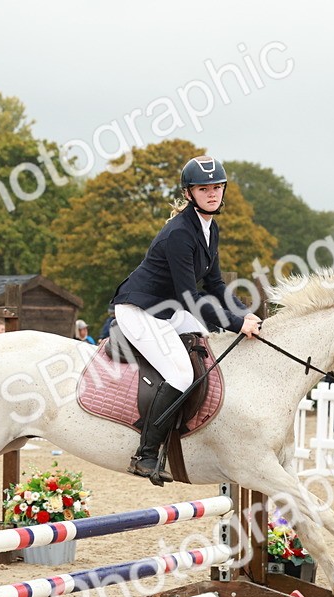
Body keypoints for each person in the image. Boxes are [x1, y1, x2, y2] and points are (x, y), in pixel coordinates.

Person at [109, 155, 261, 483]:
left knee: (206, 345)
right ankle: (146, 455)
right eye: (203, 188)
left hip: (168, 309)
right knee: (180, 373)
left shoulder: (209, 228)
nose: (212, 194)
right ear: (190, 193)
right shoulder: (180, 233)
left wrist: (245, 313)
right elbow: (191, 298)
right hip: (140, 309)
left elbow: (216, 285)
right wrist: (236, 324)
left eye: (217, 187)